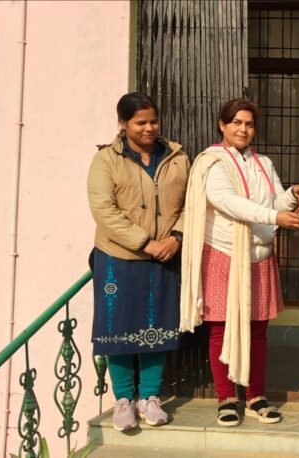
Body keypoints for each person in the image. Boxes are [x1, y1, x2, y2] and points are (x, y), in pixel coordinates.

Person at [179, 99, 299, 427]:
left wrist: (293, 195)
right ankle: (226, 397)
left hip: (259, 254)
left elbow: (276, 199)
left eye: (249, 124)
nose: (243, 129)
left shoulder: (263, 162)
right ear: (222, 125)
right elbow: (228, 202)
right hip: (224, 253)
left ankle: (255, 397)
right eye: (236, 122)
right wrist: (274, 216)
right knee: (221, 328)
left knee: (258, 330)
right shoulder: (211, 162)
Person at [87, 92, 189, 431]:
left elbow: (191, 203)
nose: (149, 128)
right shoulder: (106, 160)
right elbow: (104, 210)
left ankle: (150, 397)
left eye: (153, 121)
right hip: (119, 256)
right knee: (117, 328)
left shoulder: (176, 157)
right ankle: (123, 399)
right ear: (123, 123)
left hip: (166, 255)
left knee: (157, 325)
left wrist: (176, 237)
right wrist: (146, 243)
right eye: (140, 122)